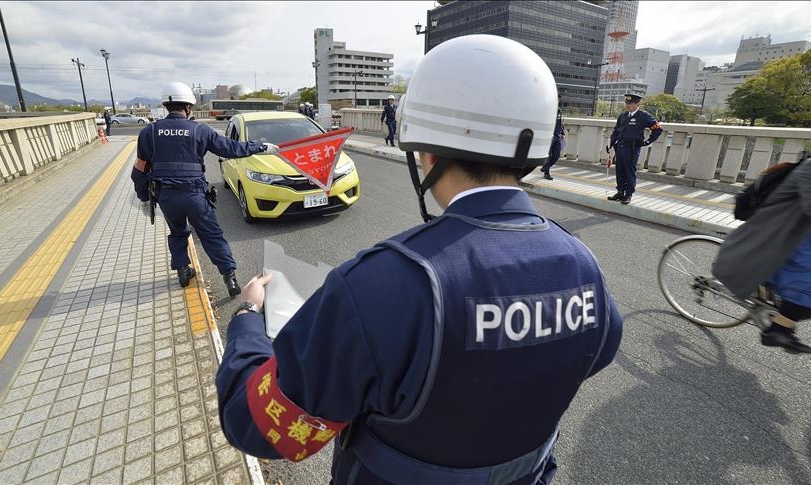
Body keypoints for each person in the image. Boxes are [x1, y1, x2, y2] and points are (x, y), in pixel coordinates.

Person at [216, 35, 623, 484]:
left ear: (427, 154)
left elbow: (261, 427)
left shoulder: (380, 283)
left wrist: (249, 320)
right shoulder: (584, 266)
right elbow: (592, 355)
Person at [130, 81, 279, 297]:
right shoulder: (200, 130)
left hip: (167, 197)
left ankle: (183, 271)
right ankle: (230, 278)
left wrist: (144, 197)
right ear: (189, 107)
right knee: (211, 235)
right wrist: (261, 146)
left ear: (165, 106)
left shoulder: (149, 132)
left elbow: (139, 170)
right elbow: (230, 149)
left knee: (178, 233)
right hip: (195, 196)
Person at [713, 158, 811, 353]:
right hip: (780, 234)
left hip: (796, 232)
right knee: (806, 289)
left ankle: (781, 316)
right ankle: (778, 329)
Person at [606, 93, 662, 205]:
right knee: (620, 171)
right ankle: (620, 192)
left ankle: (628, 194)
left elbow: (658, 129)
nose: (627, 106)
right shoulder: (623, 116)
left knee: (629, 172)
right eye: (626, 103)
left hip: (632, 148)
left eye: (630, 104)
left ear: (637, 104)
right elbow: (616, 131)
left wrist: (647, 141)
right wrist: (611, 144)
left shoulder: (644, 116)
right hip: (620, 147)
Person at [540, 107, 565, 180]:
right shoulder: (548, 109)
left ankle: (545, 167)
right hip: (548, 135)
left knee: (556, 155)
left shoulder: (559, 110)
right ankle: (546, 173)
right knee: (549, 155)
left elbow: (560, 122)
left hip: (557, 135)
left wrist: (562, 132)